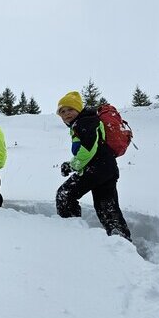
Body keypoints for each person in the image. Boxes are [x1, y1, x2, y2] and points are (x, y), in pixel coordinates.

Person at [55, 91, 131, 240]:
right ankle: (122, 242)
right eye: (62, 111)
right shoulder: (87, 121)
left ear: (78, 109)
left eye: (70, 109)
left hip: (96, 169)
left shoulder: (84, 122)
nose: (66, 114)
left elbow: (89, 149)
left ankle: (72, 234)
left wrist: (72, 165)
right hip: (106, 168)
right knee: (107, 208)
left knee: (65, 195)